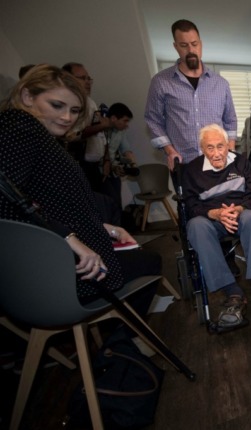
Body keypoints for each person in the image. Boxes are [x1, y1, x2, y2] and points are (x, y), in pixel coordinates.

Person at [0, 64, 160, 317]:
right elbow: (7, 200)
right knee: (151, 261)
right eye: (56, 105)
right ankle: (119, 348)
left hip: (69, 260)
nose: (66, 117)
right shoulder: (19, 126)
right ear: (27, 96)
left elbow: (50, 201)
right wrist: (69, 239)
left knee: (143, 258)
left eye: (74, 110)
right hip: (68, 271)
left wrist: (106, 227)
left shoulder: (37, 135)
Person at [181, 123, 251, 326]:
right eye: (210, 148)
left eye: (220, 146)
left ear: (228, 145)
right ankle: (232, 291)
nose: (216, 153)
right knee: (195, 226)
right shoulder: (192, 170)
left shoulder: (241, 163)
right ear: (202, 149)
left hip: (239, 215)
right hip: (210, 220)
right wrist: (215, 213)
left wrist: (236, 210)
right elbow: (191, 205)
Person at [145, 19, 237, 170]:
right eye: (184, 45)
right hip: (183, 165)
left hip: (218, 164)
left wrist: (231, 147)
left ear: (201, 43)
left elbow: (230, 120)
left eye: (195, 44)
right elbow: (153, 120)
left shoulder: (221, 84)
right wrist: (170, 151)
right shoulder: (161, 82)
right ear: (175, 47)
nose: (191, 50)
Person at [62, 62, 110, 191]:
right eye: (82, 78)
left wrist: (106, 160)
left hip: (94, 166)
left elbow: (101, 135)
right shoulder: (66, 104)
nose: (88, 82)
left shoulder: (91, 102)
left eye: (89, 78)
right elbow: (71, 137)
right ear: (67, 79)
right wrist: (101, 126)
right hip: (77, 164)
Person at [100, 102, 138, 223]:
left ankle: (120, 230)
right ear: (113, 118)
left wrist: (132, 164)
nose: (126, 124)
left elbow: (126, 149)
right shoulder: (101, 130)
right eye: (125, 121)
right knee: (106, 203)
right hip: (100, 172)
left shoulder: (121, 132)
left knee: (117, 202)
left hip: (113, 172)